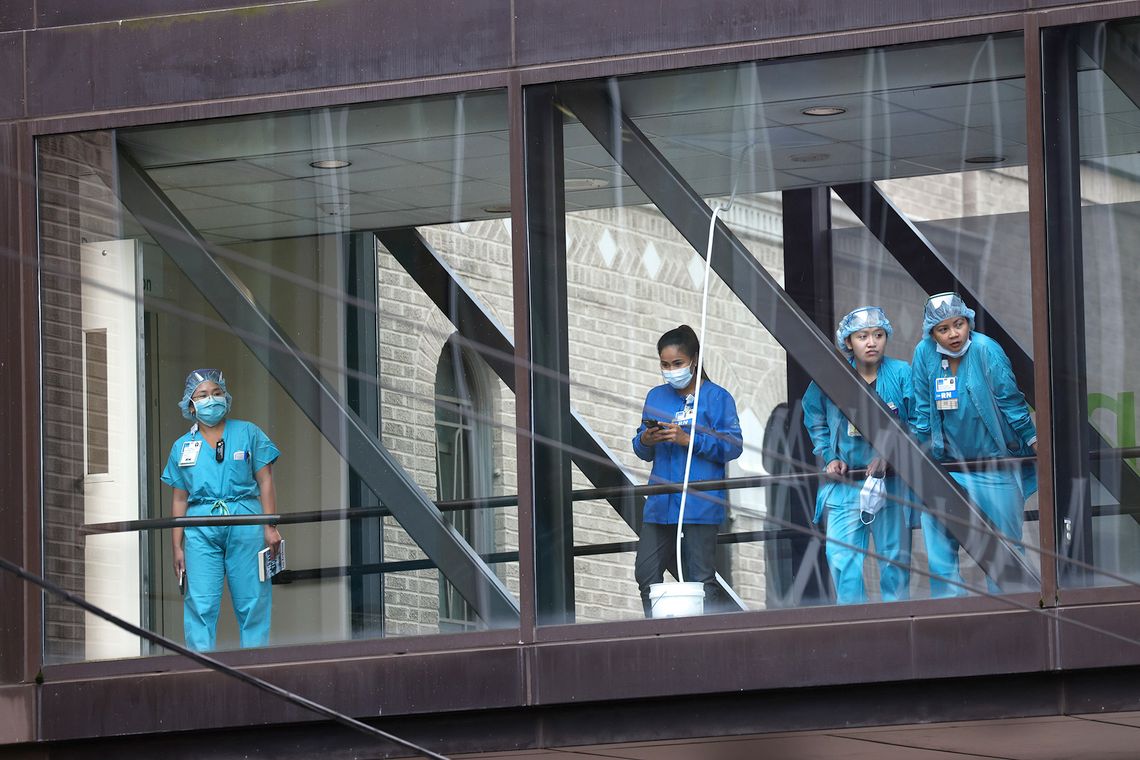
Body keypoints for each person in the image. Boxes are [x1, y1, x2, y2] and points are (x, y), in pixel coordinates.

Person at [911, 293, 1037, 597]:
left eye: (959, 324)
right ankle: (950, 614)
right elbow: (921, 409)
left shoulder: (986, 350)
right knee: (939, 537)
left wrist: (1031, 438)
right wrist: (923, 455)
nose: (954, 334)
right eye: (944, 329)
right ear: (932, 332)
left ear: (968, 322)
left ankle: (1009, 613)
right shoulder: (924, 354)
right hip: (949, 467)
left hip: (995, 466)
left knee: (1004, 548)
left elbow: (1010, 401)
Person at [161, 369, 283, 651]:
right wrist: (177, 546)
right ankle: (201, 670)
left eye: (216, 393)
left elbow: (265, 481)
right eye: (202, 395)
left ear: (226, 398)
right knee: (200, 602)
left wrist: (270, 526)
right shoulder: (182, 447)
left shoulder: (248, 432)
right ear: (190, 405)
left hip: (246, 519)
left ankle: (255, 666)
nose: (211, 399)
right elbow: (180, 498)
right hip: (200, 526)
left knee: (253, 598)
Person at [802, 306, 915, 605]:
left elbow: (918, 421)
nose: (872, 342)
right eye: (862, 336)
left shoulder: (902, 374)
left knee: (895, 560)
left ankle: (899, 625)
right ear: (848, 341)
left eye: (878, 335)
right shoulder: (831, 376)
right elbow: (815, 416)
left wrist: (892, 455)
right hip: (845, 483)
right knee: (841, 557)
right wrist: (828, 456)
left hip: (890, 482)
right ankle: (855, 624)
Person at [632, 325, 743, 616]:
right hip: (661, 501)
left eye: (677, 364)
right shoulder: (656, 396)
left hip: (700, 501)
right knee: (646, 574)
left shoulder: (717, 398)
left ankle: (708, 640)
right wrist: (646, 439)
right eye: (665, 365)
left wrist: (689, 439)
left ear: (694, 360)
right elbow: (641, 450)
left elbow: (733, 446)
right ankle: (657, 632)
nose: (671, 370)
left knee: (701, 578)